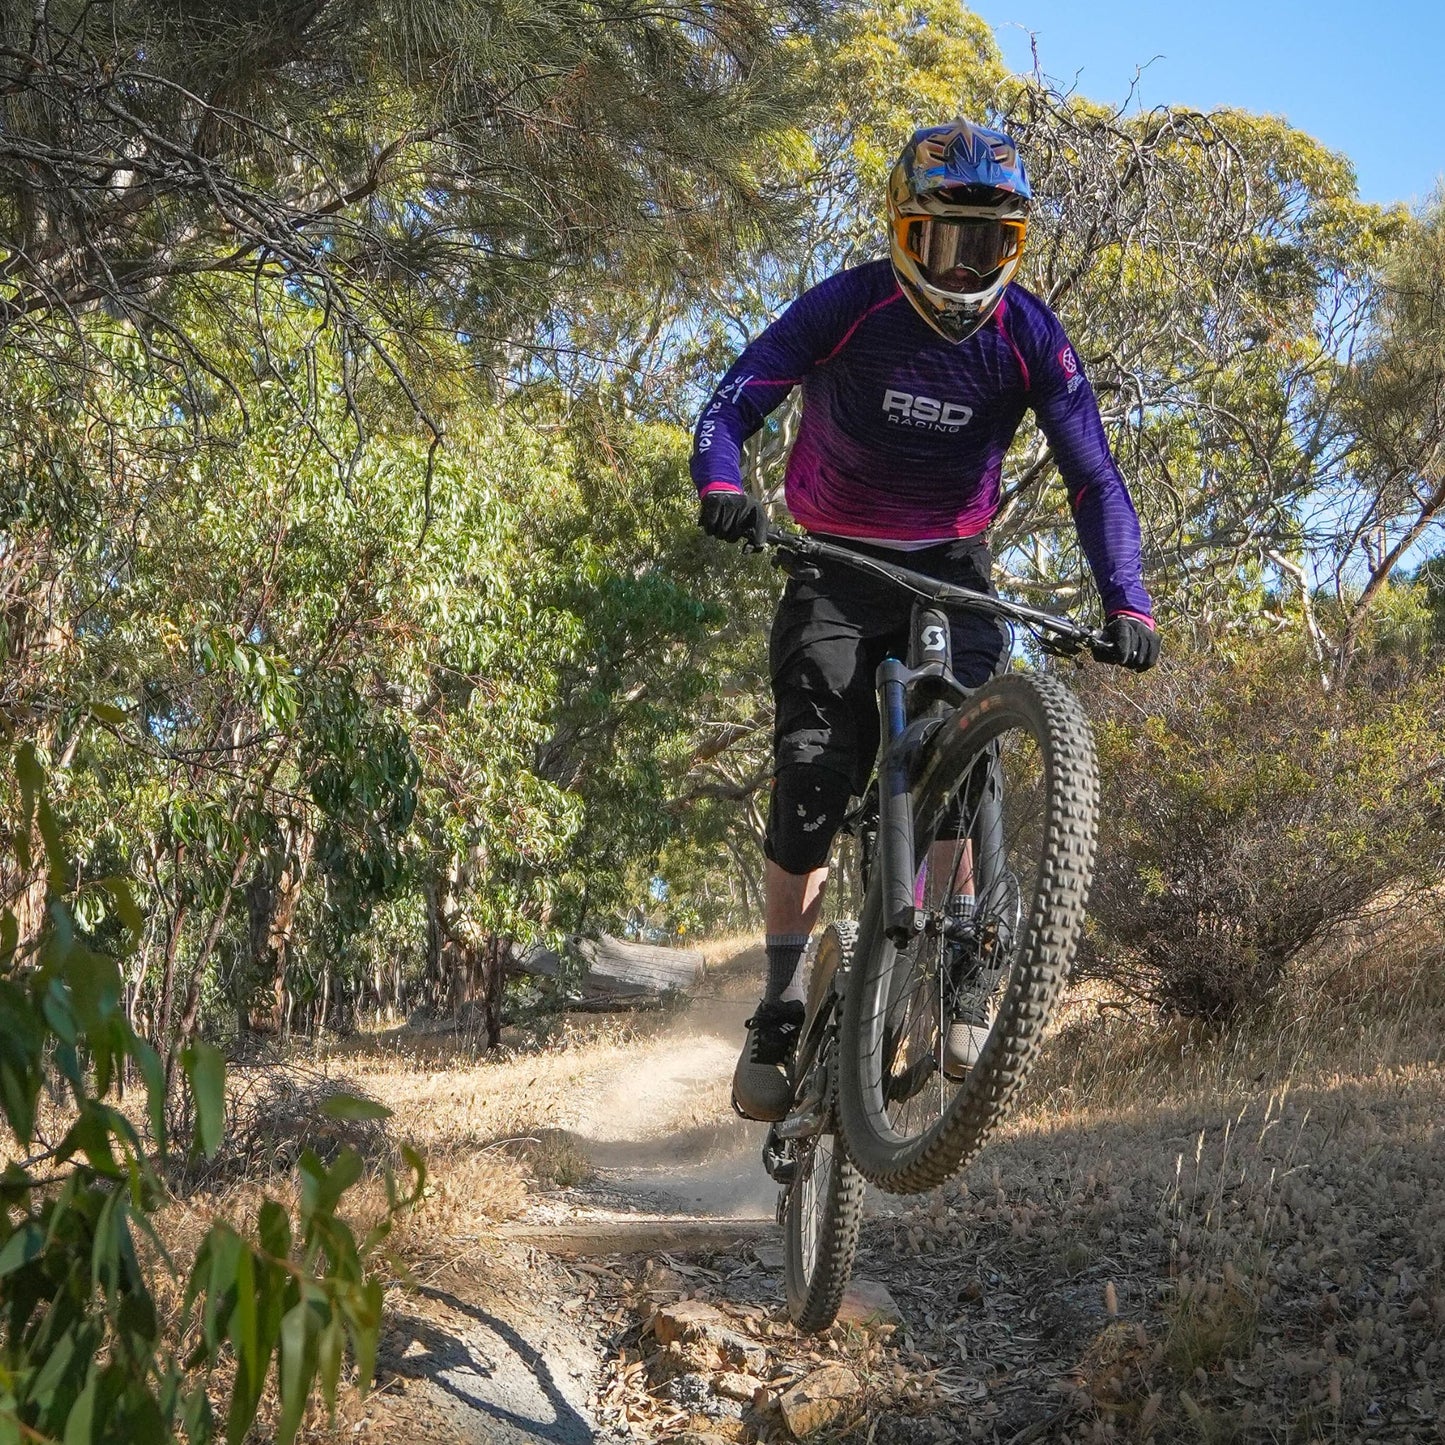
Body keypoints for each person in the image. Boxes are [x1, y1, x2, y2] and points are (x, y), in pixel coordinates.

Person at [691, 119, 1159, 1122]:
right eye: (946, 241)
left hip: (950, 570)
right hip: (834, 564)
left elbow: (1092, 476)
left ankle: (962, 961)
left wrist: (1125, 596)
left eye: (988, 245)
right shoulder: (847, 305)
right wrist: (723, 484)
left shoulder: (1027, 334)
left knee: (960, 744)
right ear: (903, 232)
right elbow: (732, 401)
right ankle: (780, 1002)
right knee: (813, 771)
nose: (965, 267)